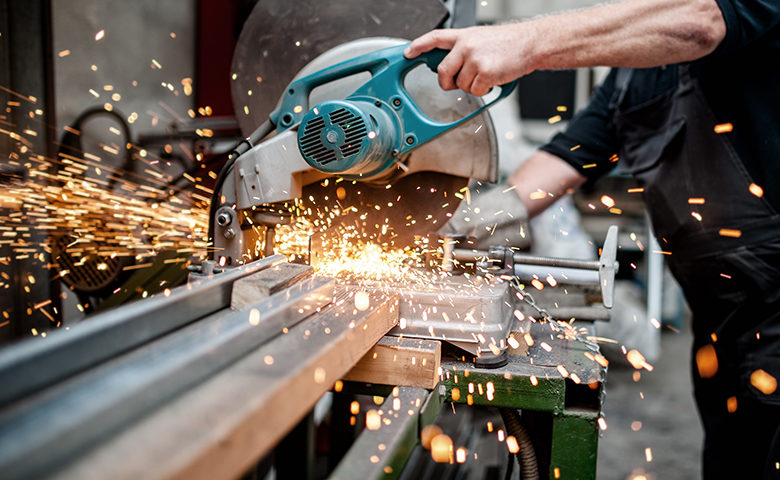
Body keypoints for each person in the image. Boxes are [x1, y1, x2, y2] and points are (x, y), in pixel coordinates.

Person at [405, 0, 780, 478]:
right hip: (723, 315)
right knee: (736, 459)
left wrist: (524, 43)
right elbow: (568, 155)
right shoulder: (632, 78)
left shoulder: (704, 16)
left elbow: (703, 22)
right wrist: (463, 223)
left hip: (776, 301)